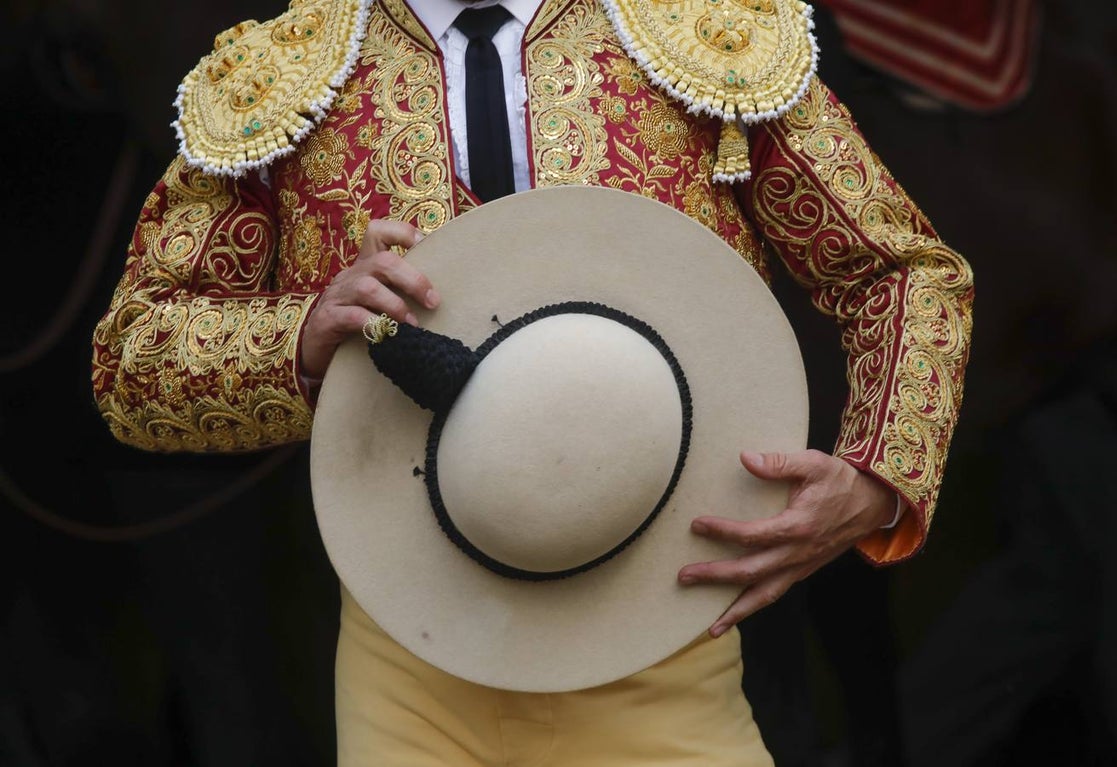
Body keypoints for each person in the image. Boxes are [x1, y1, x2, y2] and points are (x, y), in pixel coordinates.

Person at [91, 0, 973, 763]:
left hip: (663, 658)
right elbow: (131, 364)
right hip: (409, 674)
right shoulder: (278, 80)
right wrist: (305, 333)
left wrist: (877, 478)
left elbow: (900, 272)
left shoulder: (698, 37)